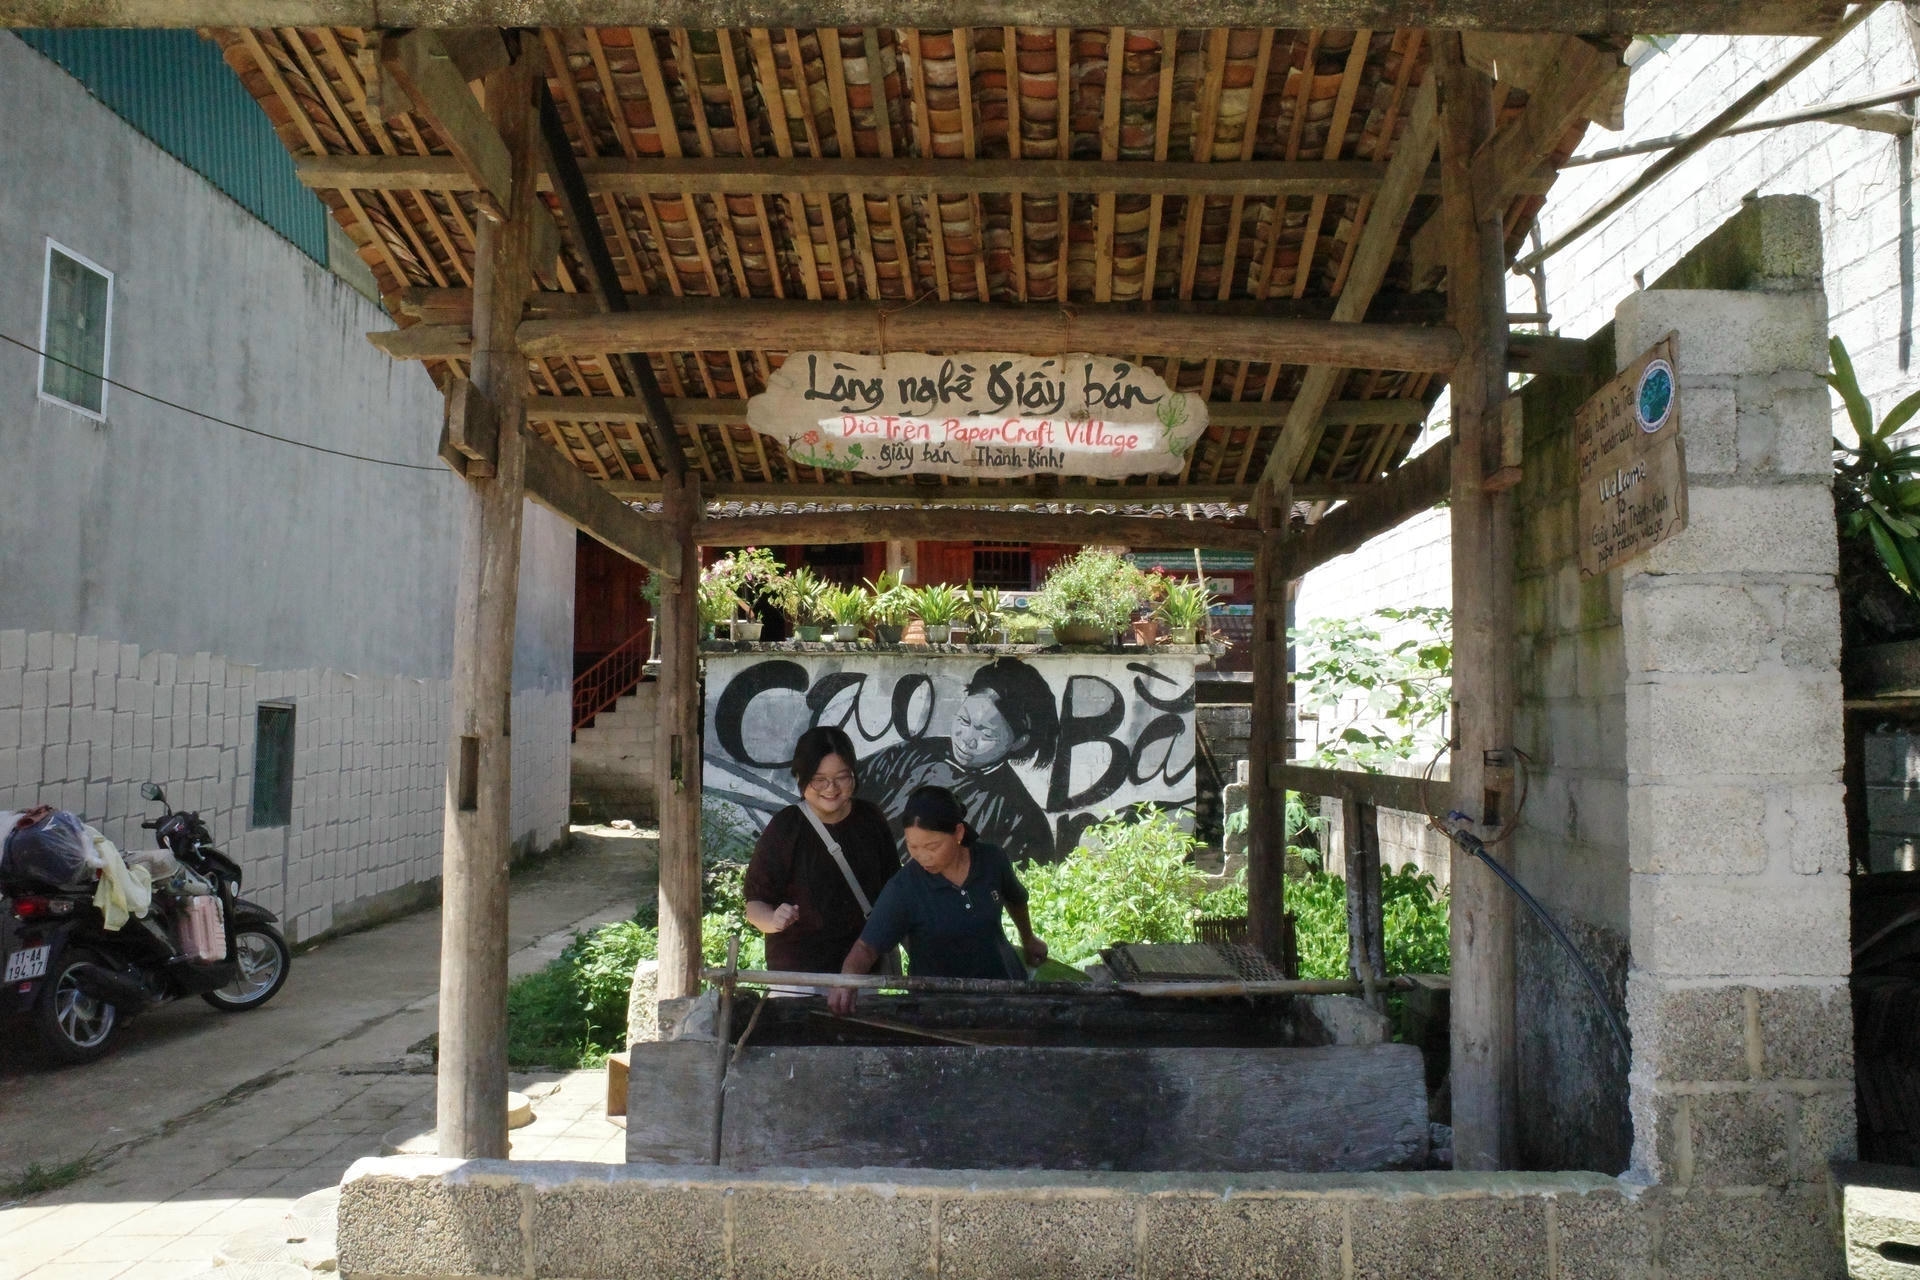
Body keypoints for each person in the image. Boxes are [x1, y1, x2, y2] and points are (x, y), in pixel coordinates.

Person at [827, 786, 1047, 1016]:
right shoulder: (904, 888)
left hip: (1003, 991)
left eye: (932, 846)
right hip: (938, 1009)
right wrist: (847, 980)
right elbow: (866, 947)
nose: (922, 856)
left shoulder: (992, 860)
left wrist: (1028, 938)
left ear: (959, 833)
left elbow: (1016, 899)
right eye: (912, 846)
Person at [857, 657, 1060, 863]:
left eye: (986, 734)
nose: (967, 739)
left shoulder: (1020, 819)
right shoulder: (911, 755)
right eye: (964, 720)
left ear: (1018, 742)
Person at [743, 725, 899, 974]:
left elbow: (894, 889)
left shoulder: (871, 819)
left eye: (842, 777)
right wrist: (773, 920)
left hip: (860, 972)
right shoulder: (786, 826)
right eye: (819, 779)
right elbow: (755, 904)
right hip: (799, 974)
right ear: (799, 777)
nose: (831, 788)